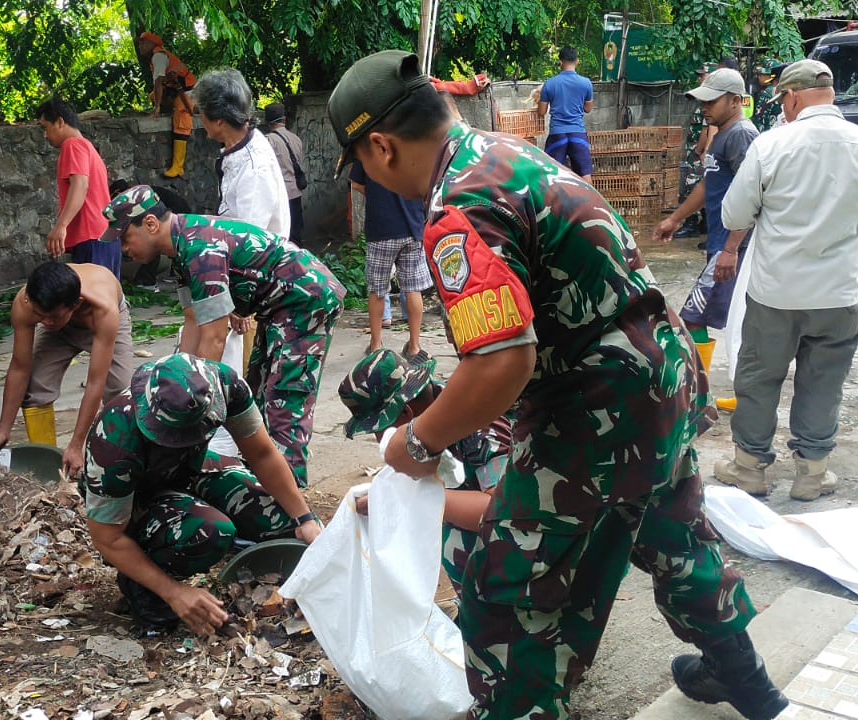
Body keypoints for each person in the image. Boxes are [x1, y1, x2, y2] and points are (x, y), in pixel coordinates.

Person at [328, 50, 786, 720]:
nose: (368, 179)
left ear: (381, 146)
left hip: (596, 413)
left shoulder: (457, 207)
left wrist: (418, 445)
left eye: (361, 166)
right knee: (675, 534)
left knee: (505, 594)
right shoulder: (509, 155)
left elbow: (500, 363)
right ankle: (751, 686)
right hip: (662, 376)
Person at [715, 59, 858, 502]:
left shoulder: (773, 145)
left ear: (791, 96)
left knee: (759, 379)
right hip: (837, 294)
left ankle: (749, 468)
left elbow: (734, 214)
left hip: (777, 291)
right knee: (823, 382)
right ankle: (812, 475)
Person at [112, 185, 344, 489]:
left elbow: (215, 337)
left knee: (287, 395)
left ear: (151, 225)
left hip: (305, 299)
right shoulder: (181, 247)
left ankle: (290, 499)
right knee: (258, 388)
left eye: (125, 239)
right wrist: (175, 378)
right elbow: (193, 321)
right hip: (278, 308)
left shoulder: (199, 249)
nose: (124, 251)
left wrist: (192, 402)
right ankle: (262, 479)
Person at [82, 353, 323, 633]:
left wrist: (304, 518)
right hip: (135, 495)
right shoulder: (114, 441)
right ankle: (142, 586)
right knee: (209, 531)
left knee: (280, 515)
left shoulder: (223, 383)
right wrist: (173, 591)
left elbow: (262, 453)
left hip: (191, 465)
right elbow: (107, 537)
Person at [338, 349, 508, 593]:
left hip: (516, 563)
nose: (379, 440)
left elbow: (500, 509)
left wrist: (409, 498)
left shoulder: (477, 423)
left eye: (380, 429)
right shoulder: (426, 419)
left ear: (406, 413)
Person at [653, 68, 759, 404]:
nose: (704, 106)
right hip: (720, 242)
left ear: (735, 100)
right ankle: (710, 394)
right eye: (703, 100)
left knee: (692, 316)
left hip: (730, 246)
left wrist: (730, 248)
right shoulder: (723, 135)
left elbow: (753, 192)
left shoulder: (742, 134)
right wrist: (675, 218)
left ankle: (698, 397)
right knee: (726, 319)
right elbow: (707, 185)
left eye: (711, 100)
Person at [0, 261, 136, 478]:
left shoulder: (104, 309)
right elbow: (19, 367)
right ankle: (48, 465)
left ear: (76, 304)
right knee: (35, 387)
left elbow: (95, 381)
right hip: (63, 326)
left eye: (51, 316)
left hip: (101, 325)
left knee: (119, 393)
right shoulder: (26, 304)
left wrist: (76, 445)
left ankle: (116, 464)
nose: (44, 322)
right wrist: (3, 429)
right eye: (39, 315)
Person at [192, 69, 291, 238]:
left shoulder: (254, 168)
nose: (201, 121)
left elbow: (248, 241)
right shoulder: (242, 145)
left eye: (202, 115)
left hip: (254, 261)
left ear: (218, 120)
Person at [349, 159, 431, 358]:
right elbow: (428, 183)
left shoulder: (369, 147)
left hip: (381, 228)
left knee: (377, 289)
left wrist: (379, 197)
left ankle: (376, 346)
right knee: (413, 288)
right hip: (413, 226)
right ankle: (414, 346)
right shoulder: (414, 146)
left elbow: (356, 183)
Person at [37, 98, 116, 277]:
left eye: (45, 127)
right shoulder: (87, 146)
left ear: (60, 122)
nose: (44, 135)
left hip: (90, 236)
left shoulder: (72, 145)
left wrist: (60, 226)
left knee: (91, 299)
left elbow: (80, 185)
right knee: (107, 298)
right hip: (104, 235)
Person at [136, 31, 198, 178]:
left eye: (143, 42)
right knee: (153, 96)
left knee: (181, 114)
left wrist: (156, 107)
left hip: (188, 92)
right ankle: (165, 109)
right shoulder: (157, 56)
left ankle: (178, 166)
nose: (140, 46)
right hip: (175, 91)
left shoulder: (158, 56)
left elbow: (158, 83)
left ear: (152, 44)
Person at [538, 46, 595, 181]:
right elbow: (588, 109)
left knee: (550, 176)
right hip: (578, 133)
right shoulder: (586, 83)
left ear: (560, 62)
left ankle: (552, 202)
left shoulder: (549, 84)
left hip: (557, 135)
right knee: (585, 175)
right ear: (577, 61)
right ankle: (590, 202)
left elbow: (541, 112)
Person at [675, 63, 716, 241]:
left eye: (703, 75)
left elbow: (708, 129)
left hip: (699, 153)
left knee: (691, 187)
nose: (700, 78)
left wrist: (701, 150)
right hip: (696, 151)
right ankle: (704, 223)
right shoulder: (705, 99)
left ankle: (691, 223)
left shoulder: (712, 100)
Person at [261, 103, 309, 244]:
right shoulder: (296, 138)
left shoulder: (268, 140)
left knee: (281, 237)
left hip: (278, 195)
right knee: (295, 233)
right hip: (295, 192)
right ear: (284, 120)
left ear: (267, 122)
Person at [751, 66, 782, 132]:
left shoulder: (766, 93)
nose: (759, 77)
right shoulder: (785, 90)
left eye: (763, 75)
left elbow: (760, 120)